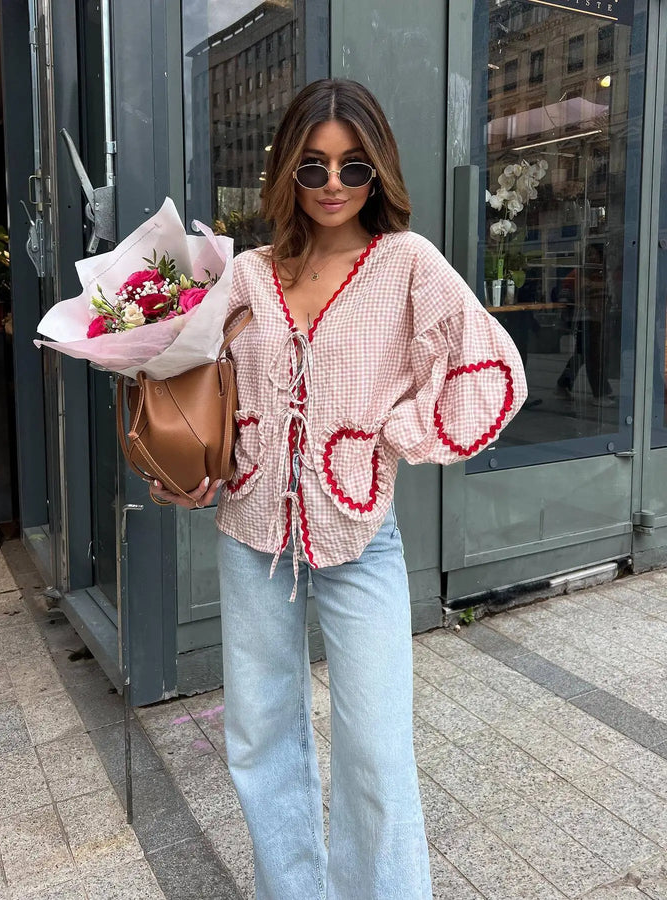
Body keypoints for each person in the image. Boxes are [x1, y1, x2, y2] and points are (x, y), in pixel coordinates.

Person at [152, 79, 527, 900]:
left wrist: (387, 436)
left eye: (353, 168)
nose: (331, 185)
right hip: (251, 533)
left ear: (376, 173)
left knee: (378, 749)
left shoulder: (406, 265)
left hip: (360, 538)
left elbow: (490, 371)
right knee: (258, 736)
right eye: (314, 166)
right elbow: (188, 382)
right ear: (288, 169)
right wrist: (189, 463)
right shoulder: (247, 274)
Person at [554, 243, 616, 407]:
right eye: (588, 254)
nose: (591, 257)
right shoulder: (579, 274)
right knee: (593, 356)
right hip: (587, 319)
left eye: (594, 254)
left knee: (583, 355)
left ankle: (564, 384)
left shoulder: (603, 274)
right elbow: (566, 295)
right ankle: (599, 393)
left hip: (601, 319)